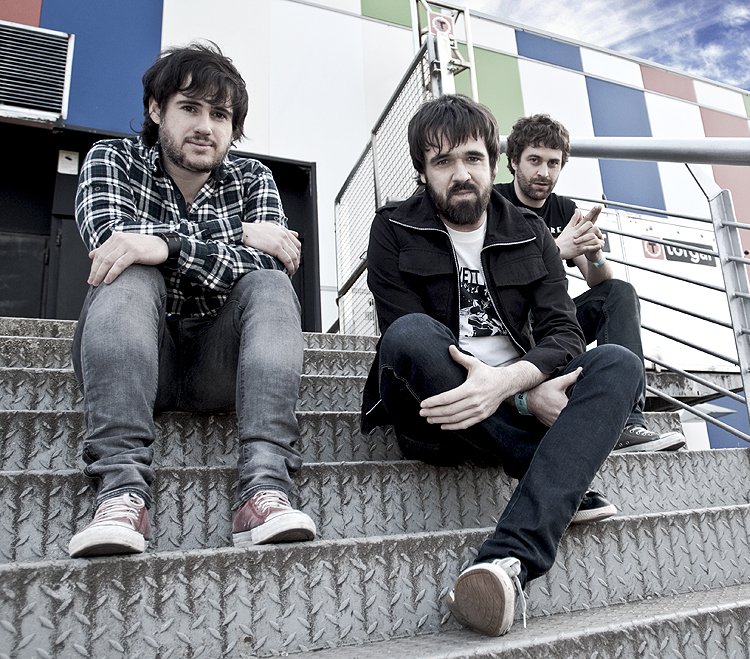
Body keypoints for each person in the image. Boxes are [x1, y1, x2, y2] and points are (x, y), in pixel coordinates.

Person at [362, 94, 645, 637]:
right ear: (422, 170)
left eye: (472, 158)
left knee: (618, 363)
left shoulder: (530, 230)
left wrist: (514, 384)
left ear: (493, 162)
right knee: (411, 334)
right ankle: (550, 468)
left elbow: (564, 332)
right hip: (437, 410)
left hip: (512, 396)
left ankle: (507, 561)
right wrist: (519, 398)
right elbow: (403, 336)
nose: (461, 174)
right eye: (442, 161)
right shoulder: (393, 227)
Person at [67, 42, 315, 558]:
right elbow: (112, 243)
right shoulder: (112, 159)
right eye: (190, 108)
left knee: (270, 287)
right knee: (131, 271)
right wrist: (237, 234)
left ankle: (264, 488)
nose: (205, 126)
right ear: (156, 110)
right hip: (132, 355)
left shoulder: (253, 178)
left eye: (220, 115)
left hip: (218, 366)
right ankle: (120, 491)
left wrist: (166, 245)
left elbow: (271, 264)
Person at [495, 114, 686, 453]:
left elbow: (599, 282)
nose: (544, 172)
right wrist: (555, 251)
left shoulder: (564, 210)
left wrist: (595, 255)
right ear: (513, 162)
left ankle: (628, 422)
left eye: (553, 163)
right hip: (509, 328)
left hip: (553, 326)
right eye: (534, 160)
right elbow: (492, 274)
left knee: (619, 292)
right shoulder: (495, 205)